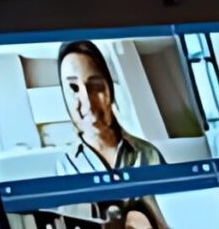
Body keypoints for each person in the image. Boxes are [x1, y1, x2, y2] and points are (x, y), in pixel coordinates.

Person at [53, 40, 166, 175]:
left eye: (96, 86)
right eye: (74, 88)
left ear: (110, 90)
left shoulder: (149, 155)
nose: (88, 103)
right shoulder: (65, 166)